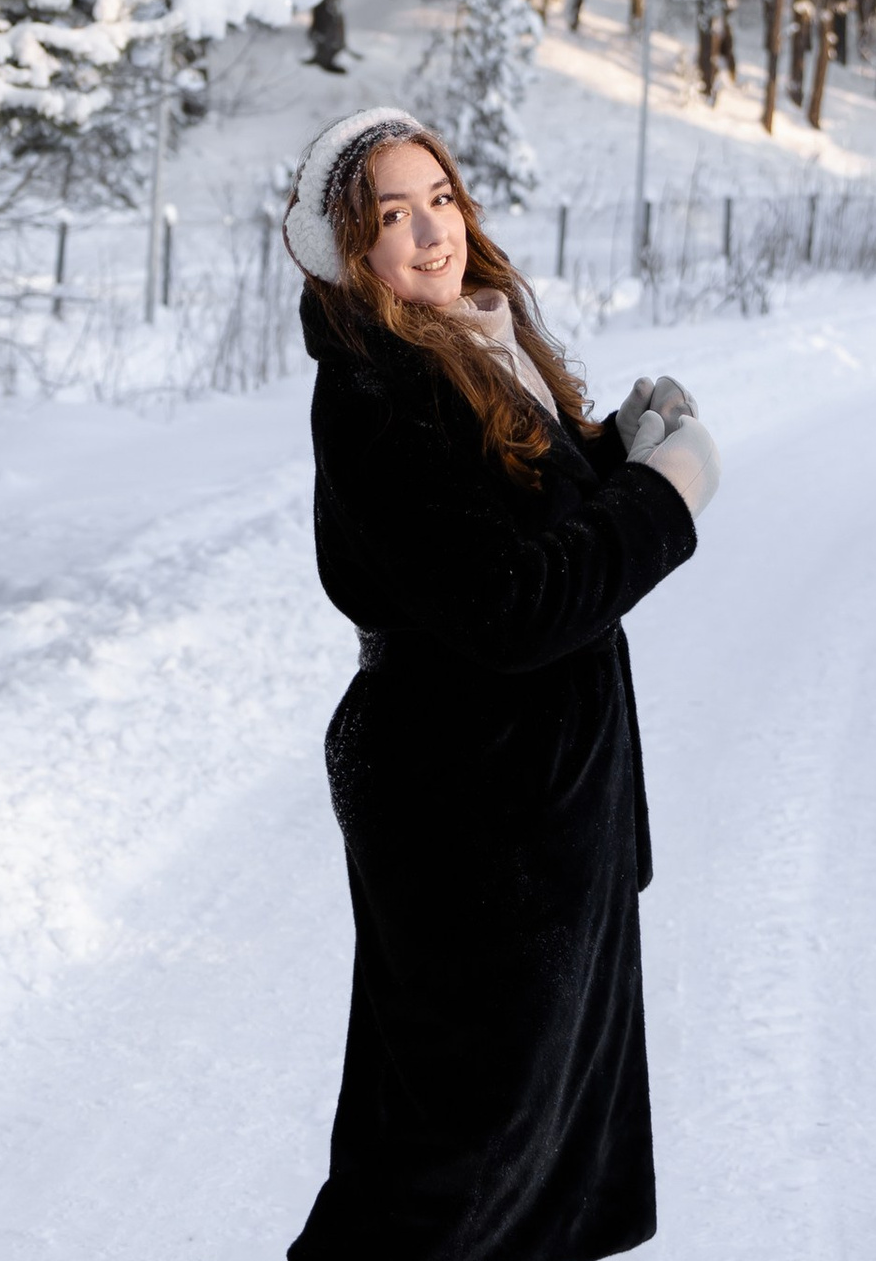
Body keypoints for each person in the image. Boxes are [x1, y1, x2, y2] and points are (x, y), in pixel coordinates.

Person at [282, 106, 721, 1261]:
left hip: (530, 797)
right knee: (455, 1160)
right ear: (348, 250)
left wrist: (610, 449)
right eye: (391, 214)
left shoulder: (465, 343)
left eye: (439, 198)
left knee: (540, 1147)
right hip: (468, 806)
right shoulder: (382, 389)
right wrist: (664, 499)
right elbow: (514, 605)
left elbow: (515, 514)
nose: (431, 233)